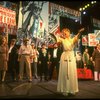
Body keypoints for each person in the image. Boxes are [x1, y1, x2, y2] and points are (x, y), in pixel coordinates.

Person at [56, 27, 84, 96]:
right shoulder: (62, 40)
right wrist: (56, 37)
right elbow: (58, 42)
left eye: (66, 32)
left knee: (71, 73)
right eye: (63, 32)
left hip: (71, 56)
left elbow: (77, 37)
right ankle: (64, 90)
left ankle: (72, 89)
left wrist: (79, 32)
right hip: (64, 56)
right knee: (64, 73)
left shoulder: (72, 40)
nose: (64, 33)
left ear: (69, 33)